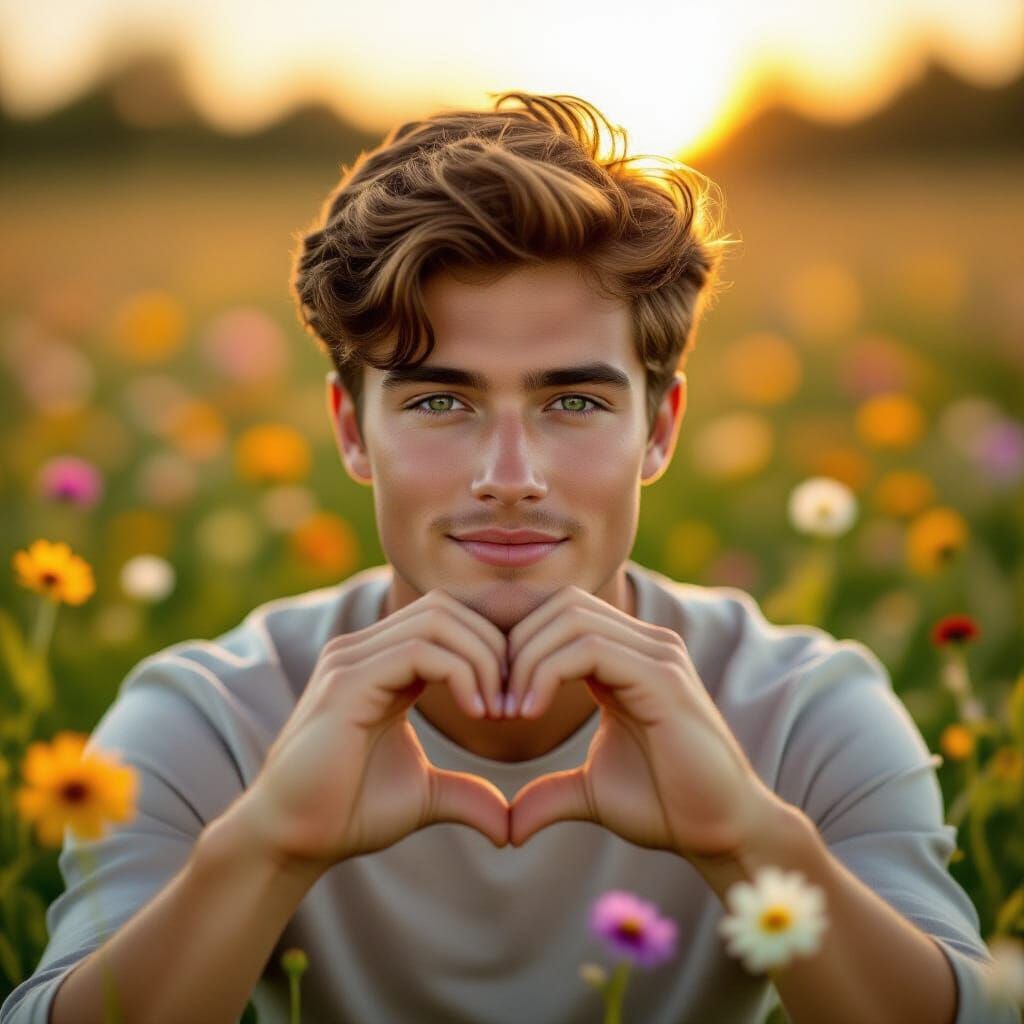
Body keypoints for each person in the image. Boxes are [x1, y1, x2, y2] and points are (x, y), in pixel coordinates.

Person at [1, 92, 1013, 1024]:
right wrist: (267, 843)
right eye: (440, 400)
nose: (509, 473)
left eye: (573, 401)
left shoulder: (802, 706)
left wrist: (746, 837)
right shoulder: (208, 718)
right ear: (351, 431)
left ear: (660, 428)